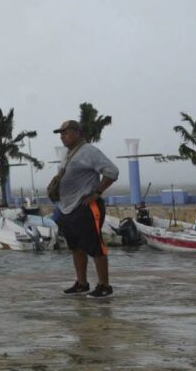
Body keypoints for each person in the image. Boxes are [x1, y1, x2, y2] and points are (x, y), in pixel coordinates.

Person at [53, 120, 119, 298]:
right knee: (76, 247)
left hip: (86, 206)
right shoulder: (69, 154)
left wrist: (97, 192)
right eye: (61, 133)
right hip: (68, 208)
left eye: (65, 132)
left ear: (77, 133)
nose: (62, 136)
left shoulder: (89, 151)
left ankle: (104, 285)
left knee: (95, 246)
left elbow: (112, 171)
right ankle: (81, 283)